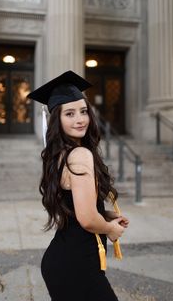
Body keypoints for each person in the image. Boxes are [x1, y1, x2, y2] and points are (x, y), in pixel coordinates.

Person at [27, 70, 129, 301]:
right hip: (77, 266)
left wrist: (107, 214)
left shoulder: (59, 155)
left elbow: (74, 207)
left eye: (83, 111)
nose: (80, 119)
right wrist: (111, 229)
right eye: (70, 114)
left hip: (63, 260)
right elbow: (86, 219)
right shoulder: (80, 155)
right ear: (57, 119)